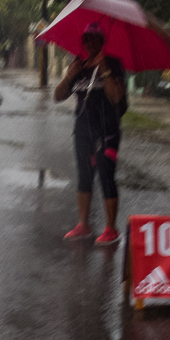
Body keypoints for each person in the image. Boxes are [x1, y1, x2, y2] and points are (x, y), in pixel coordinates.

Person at [53, 21, 128, 246]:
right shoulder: (79, 65)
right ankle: (84, 225)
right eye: (86, 38)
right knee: (84, 177)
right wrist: (69, 76)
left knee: (106, 176)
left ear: (102, 41)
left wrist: (104, 70)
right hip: (83, 131)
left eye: (95, 38)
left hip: (107, 132)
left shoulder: (113, 64)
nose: (90, 42)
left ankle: (111, 229)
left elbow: (116, 98)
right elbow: (58, 96)